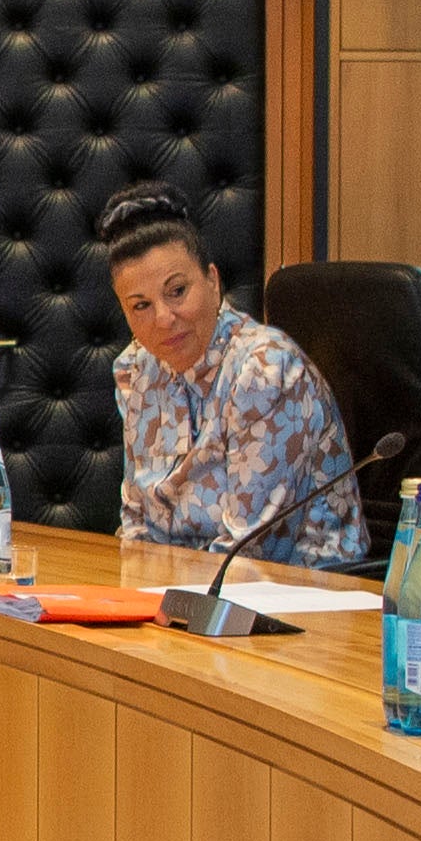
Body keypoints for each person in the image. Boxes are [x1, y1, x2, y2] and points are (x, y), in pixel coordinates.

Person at [94, 185, 364, 569]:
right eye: (141, 305)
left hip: (297, 594)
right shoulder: (136, 368)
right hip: (185, 595)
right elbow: (138, 524)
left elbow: (251, 549)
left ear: (213, 281)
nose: (164, 318)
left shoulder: (266, 369)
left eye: (177, 291)